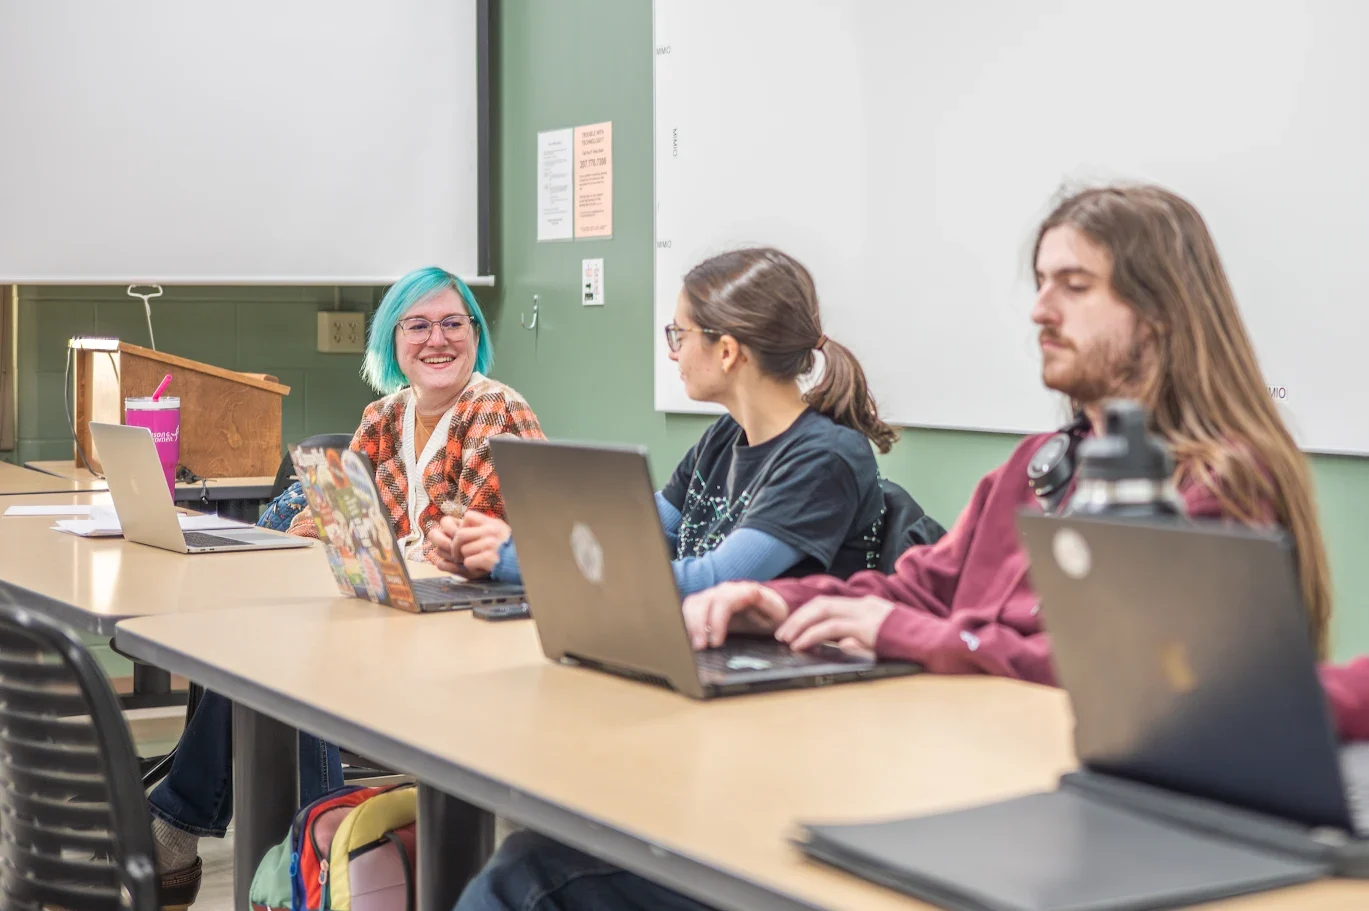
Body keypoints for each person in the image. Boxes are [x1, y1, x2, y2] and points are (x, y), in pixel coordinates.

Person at [452, 185, 1349, 911]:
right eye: (1039, 282)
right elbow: (922, 586)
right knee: (542, 860)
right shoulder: (1036, 465)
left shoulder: (1217, 479)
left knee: (543, 877)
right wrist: (786, 603)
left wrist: (901, 632)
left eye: (1074, 285)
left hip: (1074, 838)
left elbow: (1136, 687)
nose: (1039, 307)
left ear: (1156, 313)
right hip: (972, 798)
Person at [149, 266, 545, 908]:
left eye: (453, 323)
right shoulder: (384, 416)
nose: (437, 339)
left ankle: (203, 832)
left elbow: (480, 549)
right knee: (261, 643)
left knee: (293, 655)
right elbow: (325, 521)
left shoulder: (498, 410)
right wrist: (327, 540)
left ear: (475, 334)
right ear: (393, 341)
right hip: (394, 614)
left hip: (471, 634)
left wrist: (386, 550)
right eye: (418, 325)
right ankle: (295, 853)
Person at [429, 247, 917, 595]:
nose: (671, 351)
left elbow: (712, 582)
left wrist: (523, 561)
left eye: (679, 334)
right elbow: (634, 535)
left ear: (727, 352)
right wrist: (491, 555)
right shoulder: (725, 438)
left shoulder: (824, 458)